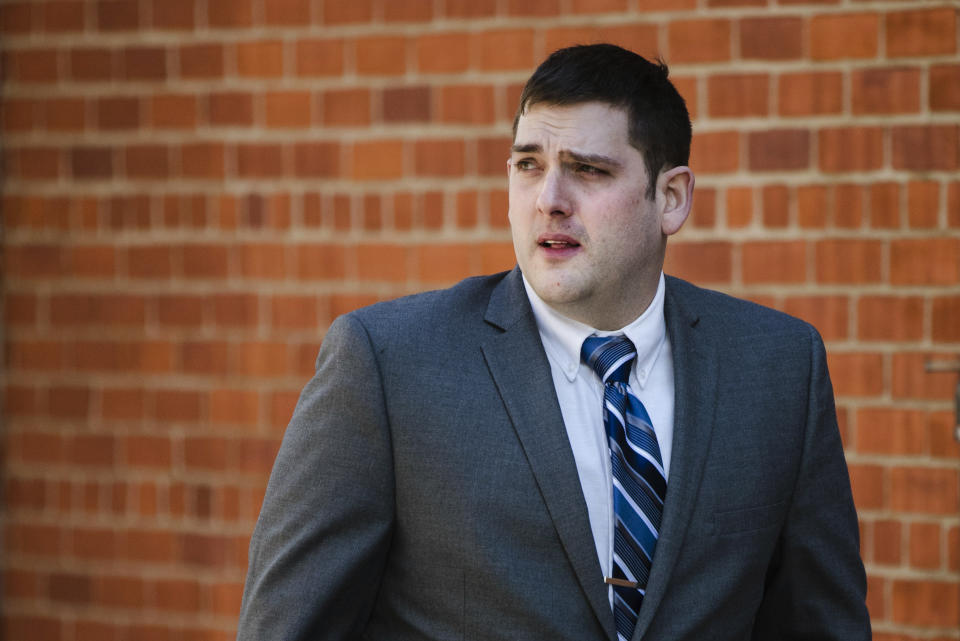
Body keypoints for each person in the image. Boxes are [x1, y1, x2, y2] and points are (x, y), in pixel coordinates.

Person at [236, 44, 871, 641]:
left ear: (671, 198)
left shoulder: (779, 367)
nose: (549, 200)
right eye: (528, 165)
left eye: (587, 170)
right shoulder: (388, 364)